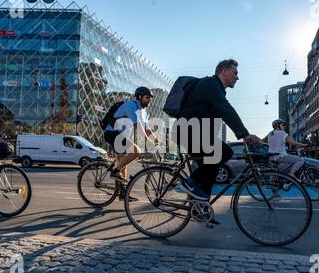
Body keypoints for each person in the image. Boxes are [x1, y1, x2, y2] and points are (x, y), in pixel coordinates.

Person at [175, 59, 261, 206]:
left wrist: (242, 134)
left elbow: (223, 114)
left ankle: (201, 207)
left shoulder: (216, 89)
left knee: (211, 169)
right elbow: (226, 110)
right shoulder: (211, 84)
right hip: (188, 132)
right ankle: (190, 183)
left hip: (193, 133)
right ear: (224, 71)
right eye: (235, 72)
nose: (237, 77)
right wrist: (244, 134)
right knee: (225, 152)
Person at [103, 87, 158, 200]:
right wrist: (148, 140)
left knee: (123, 165)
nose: (149, 100)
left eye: (150, 98)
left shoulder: (142, 111)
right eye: (147, 97)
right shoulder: (130, 106)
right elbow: (137, 125)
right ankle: (114, 172)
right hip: (112, 134)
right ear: (139, 97)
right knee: (136, 151)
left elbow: (146, 128)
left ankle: (123, 194)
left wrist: (157, 141)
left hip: (120, 136)